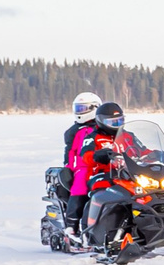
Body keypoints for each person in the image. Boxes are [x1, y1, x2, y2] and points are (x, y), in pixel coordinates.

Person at [71, 102, 134, 247]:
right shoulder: (94, 137)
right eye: (112, 122)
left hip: (125, 173)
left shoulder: (127, 137)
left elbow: (141, 149)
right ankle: (88, 232)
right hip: (100, 173)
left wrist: (157, 153)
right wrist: (97, 155)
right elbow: (85, 154)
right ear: (100, 121)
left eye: (120, 121)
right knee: (99, 194)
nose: (117, 125)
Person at [56, 93, 102, 233]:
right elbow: (70, 152)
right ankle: (72, 224)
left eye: (83, 108)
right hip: (83, 167)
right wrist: (69, 168)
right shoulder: (74, 131)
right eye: (78, 108)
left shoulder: (104, 128)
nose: (80, 112)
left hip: (106, 165)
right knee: (80, 187)